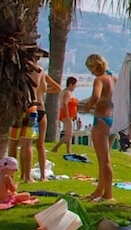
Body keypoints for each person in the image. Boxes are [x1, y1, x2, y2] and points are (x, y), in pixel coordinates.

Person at [83, 54, 116, 202]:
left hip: (101, 120)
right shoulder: (113, 79)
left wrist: (88, 106)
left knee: (104, 160)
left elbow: (96, 97)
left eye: (91, 68)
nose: (91, 72)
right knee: (104, 158)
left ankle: (108, 194)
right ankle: (99, 190)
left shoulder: (100, 80)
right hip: (112, 120)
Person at [50, 77, 80, 153]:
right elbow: (65, 103)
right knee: (69, 135)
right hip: (67, 115)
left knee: (68, 132)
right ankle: (55, 148)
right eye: (74, 85)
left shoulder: (68, 92)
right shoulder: (67, 92)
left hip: (69, 114)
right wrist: (67, 115)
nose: (75, 87)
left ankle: (68, 150)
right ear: (71, 84)